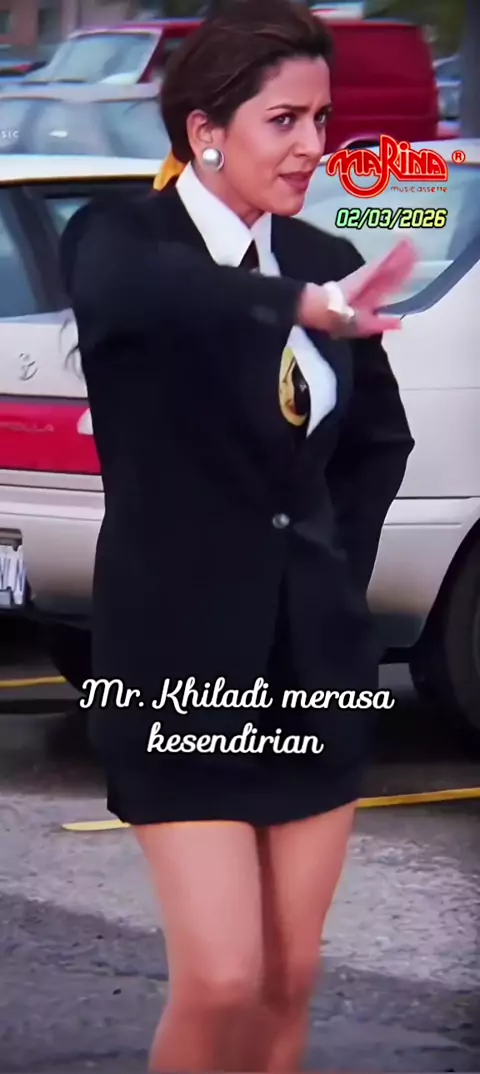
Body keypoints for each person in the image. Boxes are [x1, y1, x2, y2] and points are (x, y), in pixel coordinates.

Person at [60, 1, 416, 1070]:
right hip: (175, 665)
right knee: (221, 980)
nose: (313, 145)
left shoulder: (322, 252)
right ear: (206, 130)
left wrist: (330, 573)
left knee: (287, 977)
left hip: (312, 666)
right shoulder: (124, 240)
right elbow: (152, 294)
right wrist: (295, 307)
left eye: (323, 119)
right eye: (284, 121)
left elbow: (377, 441)